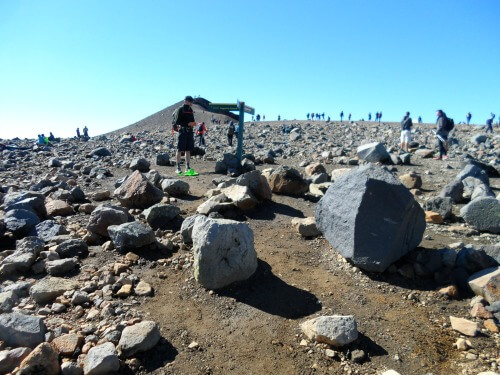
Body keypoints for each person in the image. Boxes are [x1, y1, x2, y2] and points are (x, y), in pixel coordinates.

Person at [172, 95, 197, 174]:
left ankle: (187, 167)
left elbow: (192, 120)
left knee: (188, 150)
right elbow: (177, 122)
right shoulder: (180, 109)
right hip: (182, 131)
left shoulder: (190, 110)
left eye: (191, 101)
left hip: (189, 131)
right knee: (179, 149)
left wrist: (193, 124)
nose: (190, 103)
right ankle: (178, 167)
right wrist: (187, 124)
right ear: (185, 101)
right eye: (189, 101)